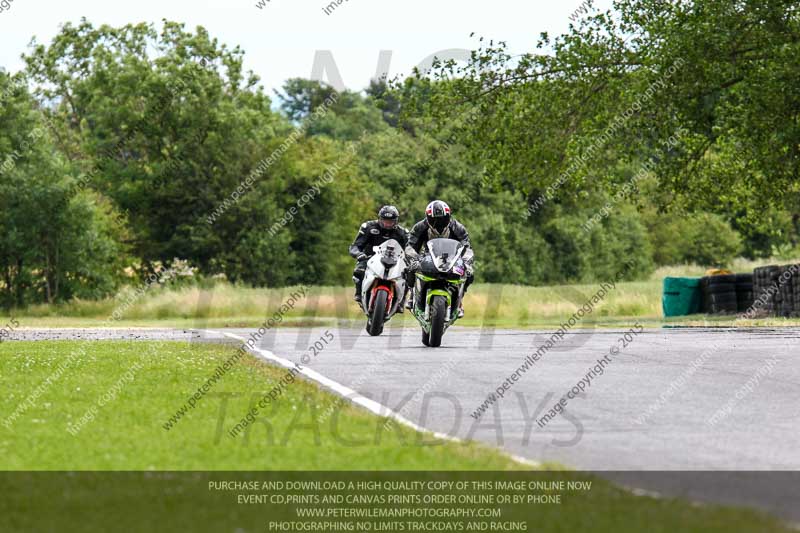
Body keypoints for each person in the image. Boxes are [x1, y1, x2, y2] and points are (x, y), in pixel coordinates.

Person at [405, 200, 474, 316]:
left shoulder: (458, 228)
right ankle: (412, 295)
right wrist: (414, 258)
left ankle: (460, 300)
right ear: (428, 218)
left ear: (449, 216)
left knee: (470, 274)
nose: (439, 222)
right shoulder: (420, 227)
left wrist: (466, 262)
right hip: (427, 257)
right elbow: (410, 246)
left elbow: (467, 247)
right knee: (409, 269)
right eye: (435, 219)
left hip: (452, 259)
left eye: (443, 219)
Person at [349, 205, 409, 305]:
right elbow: (355, 246)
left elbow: (410, 249)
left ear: (396, 221)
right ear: (379, 219)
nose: (387, 224)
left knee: (408, 274)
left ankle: (401, 301)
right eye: (385, 220)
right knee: (359, 270)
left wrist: (410, 259)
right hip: (369, 259)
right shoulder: (368, 227)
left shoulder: (402, 233)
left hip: (394, 261)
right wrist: (358, 254)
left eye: (391, 221)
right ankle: (359, 293)